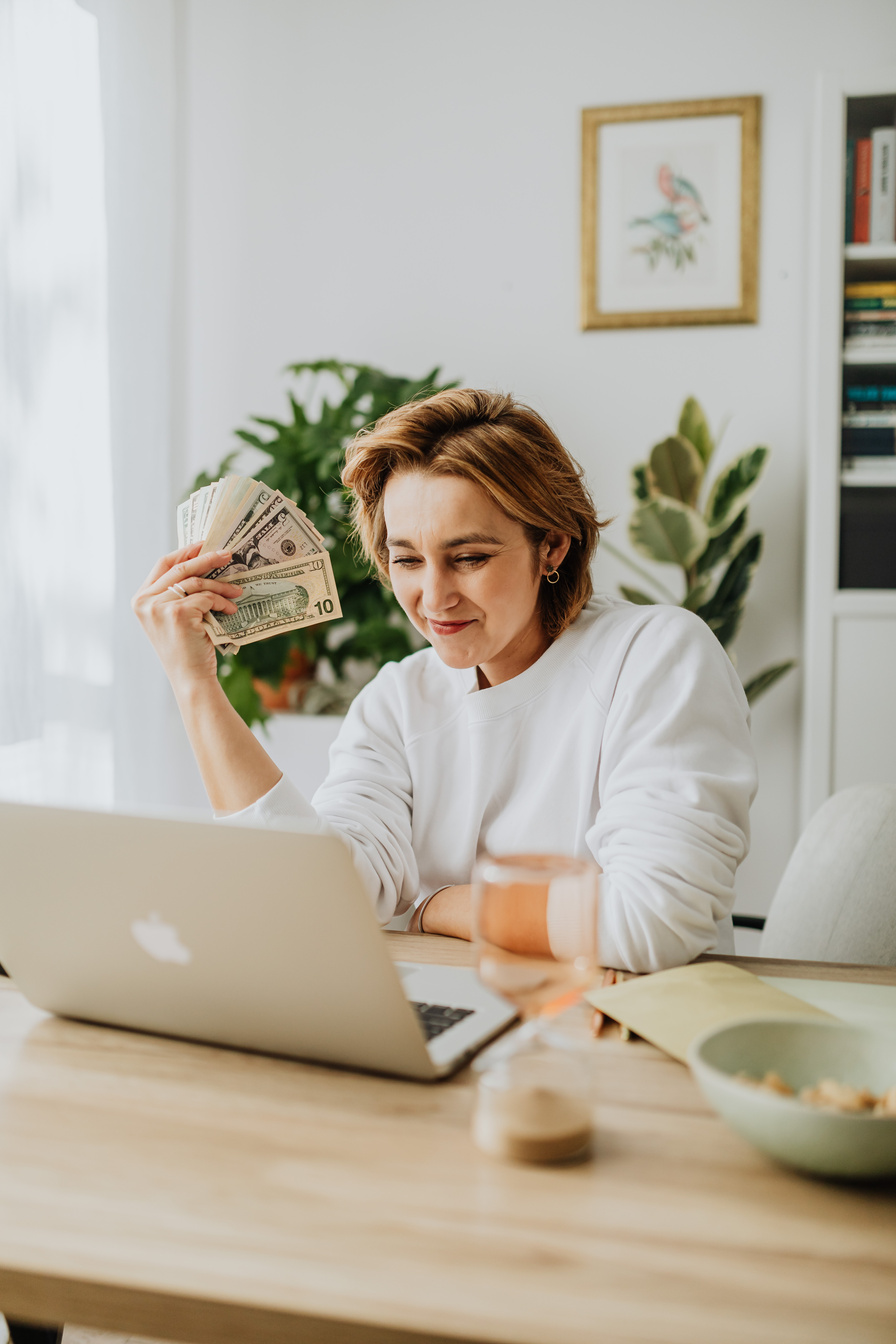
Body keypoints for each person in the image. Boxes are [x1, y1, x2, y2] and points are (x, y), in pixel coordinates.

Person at [133, 389, 757, 972]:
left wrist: (437, 907)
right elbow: (314, 896)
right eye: (407, 559)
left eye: (470, 558)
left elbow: (652, 921)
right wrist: (194, 684)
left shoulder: (656, 656)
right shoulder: (398, 702)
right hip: (456, 1013)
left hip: (617, 1034)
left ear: (554, 548)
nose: (434, 598)